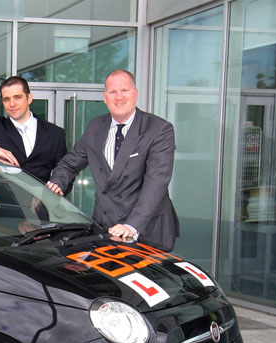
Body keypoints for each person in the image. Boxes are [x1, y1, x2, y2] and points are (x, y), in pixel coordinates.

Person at [47, 69, 180, 251]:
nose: (119, 97)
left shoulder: (159, 129)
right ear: (105, 97)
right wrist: (57, 182)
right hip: (106, 229)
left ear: (135, 93)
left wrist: (131, 226)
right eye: (113, 92)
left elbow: (156, 183)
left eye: (124, 90)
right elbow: (70, 163)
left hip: (146, 231)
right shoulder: (95, 127)